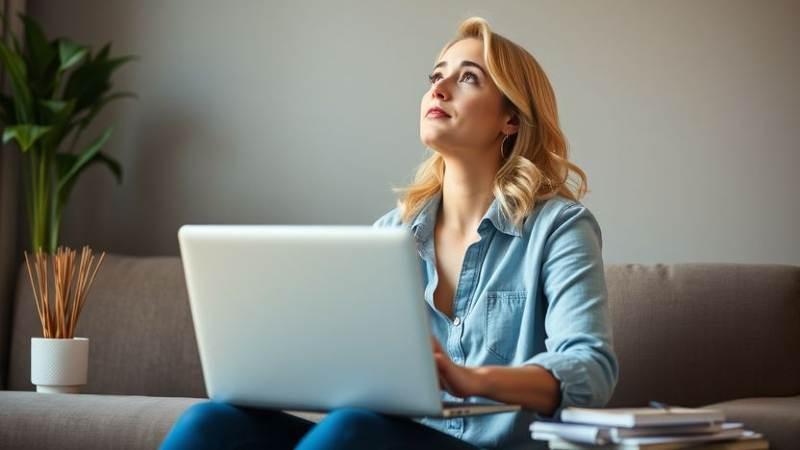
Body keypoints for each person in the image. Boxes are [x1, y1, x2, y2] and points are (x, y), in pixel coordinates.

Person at [159, 16, 618, 450]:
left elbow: (591, 369)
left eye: (468, 78)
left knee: (353, 430)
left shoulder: (559, 228)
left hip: (490, 445)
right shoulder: (390, 235)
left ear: (510, 119)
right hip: (389, 438)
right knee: (212, 422)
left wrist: (471, 379)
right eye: (435, 76)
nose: (438, 88)